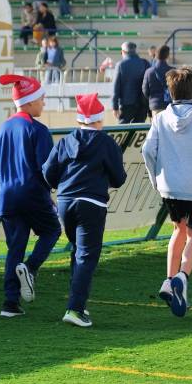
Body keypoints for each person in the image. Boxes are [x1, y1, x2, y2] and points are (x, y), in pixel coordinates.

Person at [41, 93, 127, 328]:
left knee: (78, 253)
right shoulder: (107, 143)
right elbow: (119, 178)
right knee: (86, 256)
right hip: (92, 203)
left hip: (66, 202)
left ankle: (75, 302)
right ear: (99, 118)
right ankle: (75, 308)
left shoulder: (66, 141)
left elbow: (48, 172)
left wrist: (63, 184)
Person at [142, 68, 192, 318]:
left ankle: (168, 279)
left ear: (170, 91)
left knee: (178, 230)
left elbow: (147, 150)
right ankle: (182, 276)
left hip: (169, 186)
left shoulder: (160, 118)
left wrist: (156, 179)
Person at [0, 74, 61, 319]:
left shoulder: (4, 127)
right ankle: (30, 269)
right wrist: (49, 192)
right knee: (52, 230)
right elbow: (47, 168)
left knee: (14, 249)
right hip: (32, 194)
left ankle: (10, 304)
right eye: (41, 98)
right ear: (29, 102)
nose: (44, 103)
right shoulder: (38, 130)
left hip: (7, 197)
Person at [112, 41, 149, 124]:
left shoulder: (120, 65)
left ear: (123, 52)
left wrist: (115, 106)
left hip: (126, 104)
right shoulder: (145, 63)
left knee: (122, 130)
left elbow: (116, 87)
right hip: (142, 104)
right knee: (138, 130)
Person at [142, 45, 174, 116]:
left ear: (156, 55)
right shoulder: (173, 71)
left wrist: (151, 98)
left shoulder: (149, 71)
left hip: (155, 104)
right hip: (170, 104)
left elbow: (145, 90)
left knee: (157, 126)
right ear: (167, 56)